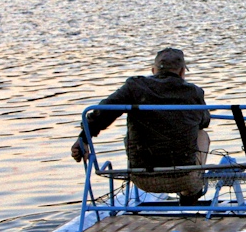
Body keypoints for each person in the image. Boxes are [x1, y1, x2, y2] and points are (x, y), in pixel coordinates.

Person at [71, 47, 211, 201]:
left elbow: (103, 112)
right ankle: (190, 192)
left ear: (153, 70)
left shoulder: (134, 87)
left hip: (141, 178)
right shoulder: (194, 92)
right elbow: (205, 121)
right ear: (182, 72)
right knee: (201, 134)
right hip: (183, 177)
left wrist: (84, 138)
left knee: (133, 130)